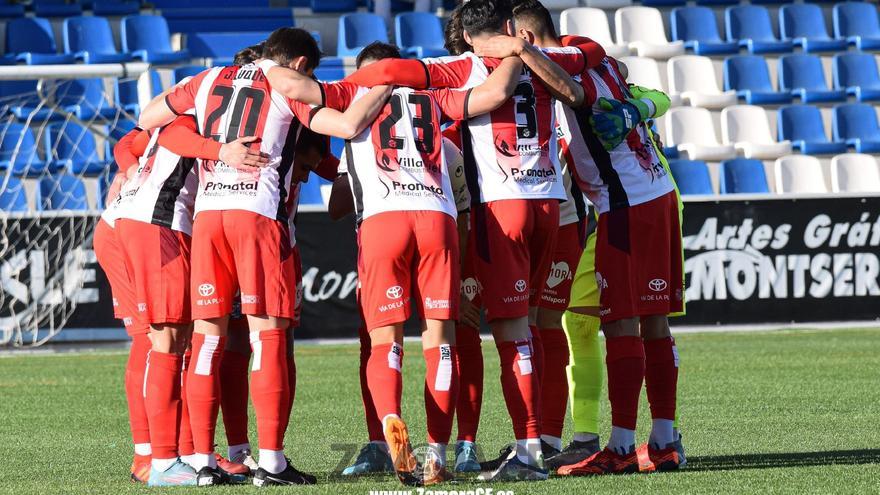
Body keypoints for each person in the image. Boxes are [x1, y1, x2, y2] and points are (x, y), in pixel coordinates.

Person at [344, 0, 607, 481]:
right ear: (509, 26)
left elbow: (396, 71)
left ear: (466, 36)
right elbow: (595, 51)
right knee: (530, 326)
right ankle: (537, 440)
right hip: (552, 203)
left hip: (498, 207)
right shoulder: (552, 58)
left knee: (505, 334)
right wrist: (522, 50)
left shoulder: (459, 67)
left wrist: (346, 86)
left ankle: (523, 452)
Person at [137, 27, 391, 486]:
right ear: (298, 65)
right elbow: (346, 127)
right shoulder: (284, 84)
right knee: (268, 335)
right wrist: (383, 84)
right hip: (258, 215)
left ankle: (200, 460)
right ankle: (271, 462)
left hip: (209, 215)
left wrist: (214, 148)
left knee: (208, 338)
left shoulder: (208, 78)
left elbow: (151, 114)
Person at [264, 39, 523, 486]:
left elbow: (297, 89)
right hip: (437, 216)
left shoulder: (351, 94)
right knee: (440, 339)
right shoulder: (431, 96)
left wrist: (264, 67)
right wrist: (517, 53)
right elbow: (490, 96)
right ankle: (437, 453)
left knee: (385, 341)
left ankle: (390, 423)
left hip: (384, 220)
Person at [484, 0, 685, 476]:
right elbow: (640, 88)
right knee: (653, 324)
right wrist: (638, 106)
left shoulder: (565, 64)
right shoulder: (600, 57)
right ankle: (664, 441)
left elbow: (576, 87)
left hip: (627, 207)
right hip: (655, 193)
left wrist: (510, 49)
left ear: (526, 39)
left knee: (620, 324)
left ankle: (618, 448)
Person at [92, 129, 153, 484]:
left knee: (175, 339)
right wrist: (129, 168)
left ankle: (185, 449)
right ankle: (146, 454)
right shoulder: (193, 105)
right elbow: (129, 140)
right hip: (129, 230)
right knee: (151, 338)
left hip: (141, 227)